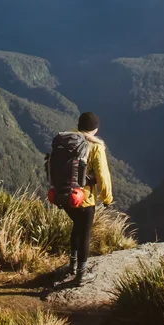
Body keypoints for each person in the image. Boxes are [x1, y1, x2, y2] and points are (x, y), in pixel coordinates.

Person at [55, 111, 113, 286]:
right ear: (95, 129)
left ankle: (72, 266)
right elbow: (103, 175)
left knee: (76, 228)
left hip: (64, 195)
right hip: (83, 199)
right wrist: (107, 198)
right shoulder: (95, 147)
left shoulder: (66, 139)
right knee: (85, 234)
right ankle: (81, 275)